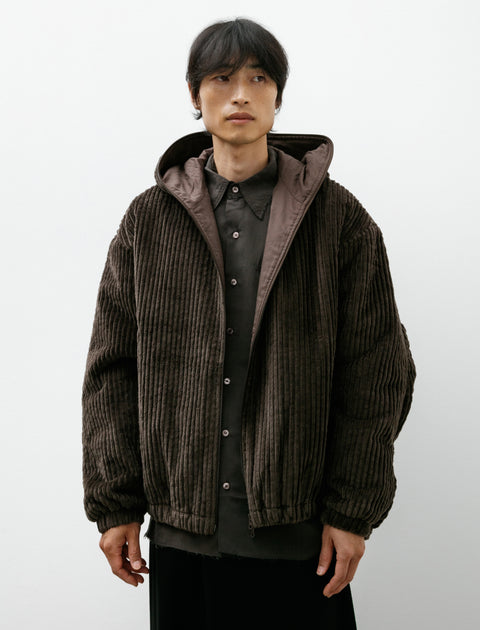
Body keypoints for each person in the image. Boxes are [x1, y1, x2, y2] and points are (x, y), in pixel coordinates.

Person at [82, 17, 415, 630]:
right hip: (182, 535)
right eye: (222, 78)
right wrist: (114, 501)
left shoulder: (338, 220)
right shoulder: (148, 221)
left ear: (278, 95)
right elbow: (112, 370)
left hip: (299, 537)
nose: (241, 94)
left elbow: (378, 372)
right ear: (194, 93)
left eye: (259, 78)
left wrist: (352, 510)